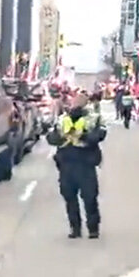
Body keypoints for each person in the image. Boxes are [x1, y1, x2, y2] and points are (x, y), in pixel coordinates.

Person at [46, 91, 107, 239]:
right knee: (69, 197)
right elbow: (51, 138)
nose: (76, 103)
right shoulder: (62, 119)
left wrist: (84, 136)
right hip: (67, 163)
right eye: (75, 100)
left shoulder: (94, 118)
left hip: (86, 163)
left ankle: (93, 229)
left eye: (80, 100)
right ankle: (75, 228)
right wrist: (61, 137)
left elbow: (101, 135)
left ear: (86, 103)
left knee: (90, 197)